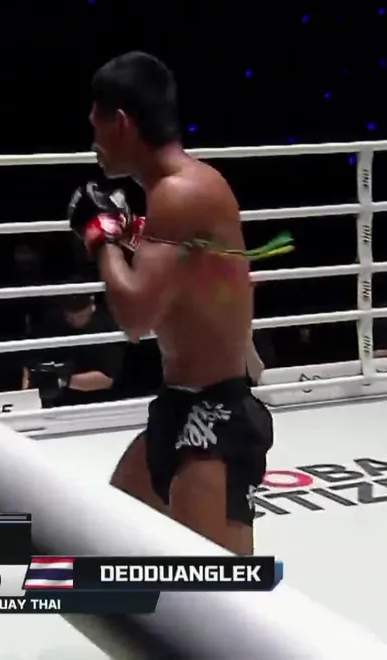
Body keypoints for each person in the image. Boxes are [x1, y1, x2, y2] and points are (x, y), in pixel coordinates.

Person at [68, 51, 292, 555]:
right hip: (180, 404)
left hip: (214, 415)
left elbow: (134, 318)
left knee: (222, 590)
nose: (93, 142)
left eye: (95, 125)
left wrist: (100, 236)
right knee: (110, 546)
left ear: (121, 123)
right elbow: (185, 279)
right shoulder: (177, 195)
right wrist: (124, 235)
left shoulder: (181, 193)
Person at [22, 292, 125, 407]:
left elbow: (107, 380)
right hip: (55, 400)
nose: (73, 319)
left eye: (80, 316)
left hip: (95, 401)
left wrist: (62, 380)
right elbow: (29, 359)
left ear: (91, 307)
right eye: (69, 316)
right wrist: (30, 382)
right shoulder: (52, 320)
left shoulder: (106, 327)